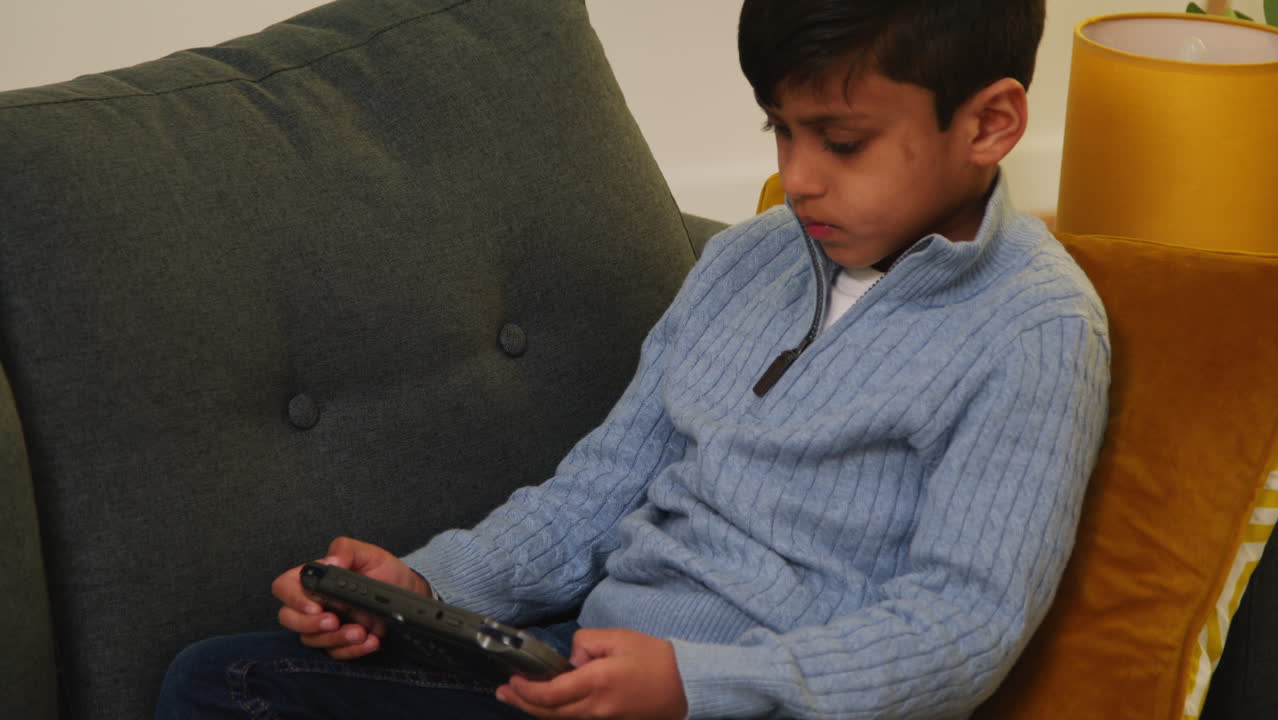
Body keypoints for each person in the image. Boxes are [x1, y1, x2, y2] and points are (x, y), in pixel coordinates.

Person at [157, 0, 1110, 717]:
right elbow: (599, 489)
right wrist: (428, 587)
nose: (798, 177)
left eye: (844, 142)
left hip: (751, 698)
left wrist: (697, 685)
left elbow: (959, 629)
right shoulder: (749, 257)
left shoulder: (1035, 328)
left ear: (990, 124)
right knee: (220, 678)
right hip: (587, 661)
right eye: (781, 129)